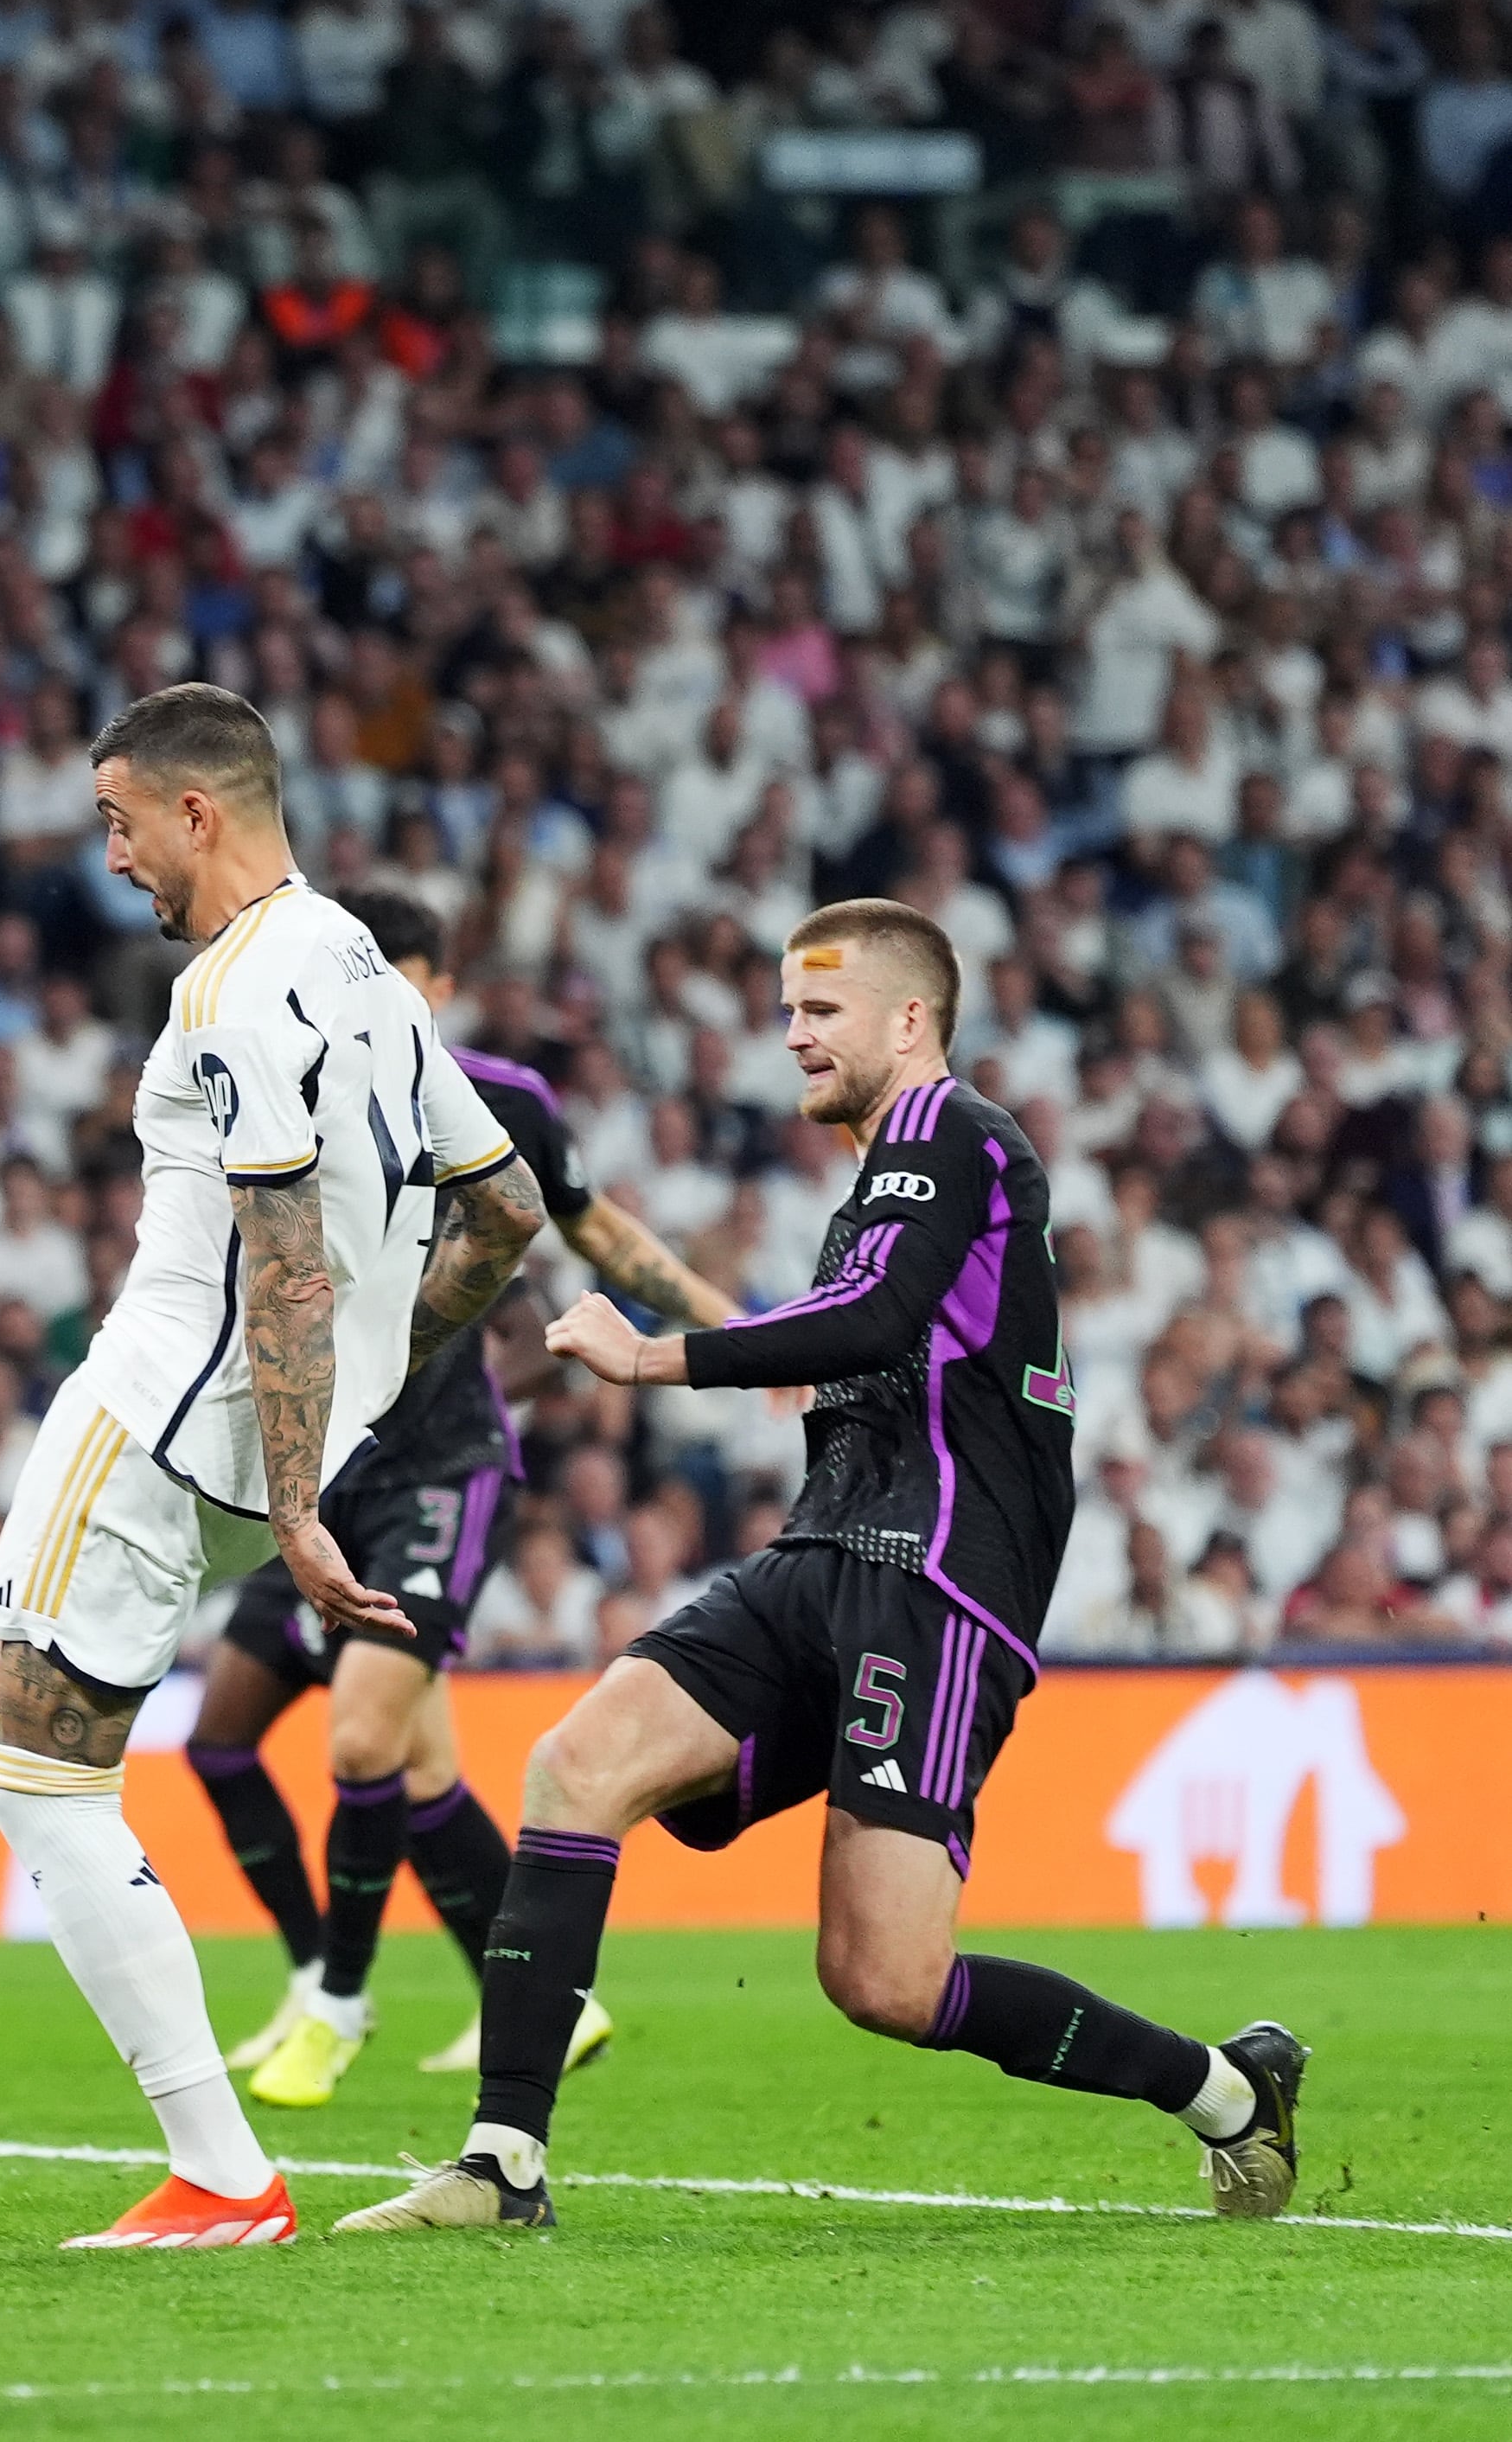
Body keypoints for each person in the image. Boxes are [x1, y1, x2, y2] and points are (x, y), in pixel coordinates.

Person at [337, 900, 1304, 2234]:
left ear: (908, 1020)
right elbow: (868, 1327)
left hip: (938, 1578)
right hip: (824, 1549)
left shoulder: (950, 1134)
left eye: (819, 1009)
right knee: (577, 1763)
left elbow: (879, 1317)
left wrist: (657, 1350)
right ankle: (501, 2161)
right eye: (786, 1007)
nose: (790, 1032)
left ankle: (1220, 2089)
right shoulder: (880, 1170)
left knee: (884, 1981)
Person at [0, 683, 545, 2250]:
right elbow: (504, 1210)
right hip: (251, 1453)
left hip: (156, 1420)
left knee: (51, 1780)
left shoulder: (235, 994)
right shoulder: (368, 972)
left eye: (118, 820)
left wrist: (314, 1493)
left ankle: (222, 2172)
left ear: (197, 810)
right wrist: (358, 1412)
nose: (108, 856)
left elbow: (287, 1257)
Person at [201, 885, 741, 2105]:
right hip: (331, 1468)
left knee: (356, 1739)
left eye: (389, 985)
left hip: (444, 1467)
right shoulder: (296, 1101)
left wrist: (730, 1326)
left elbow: (591, 1228)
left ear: (433, 986)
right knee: (398, 1768)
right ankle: (542, 1998)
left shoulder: (503, 1102)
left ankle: (335, 2002)